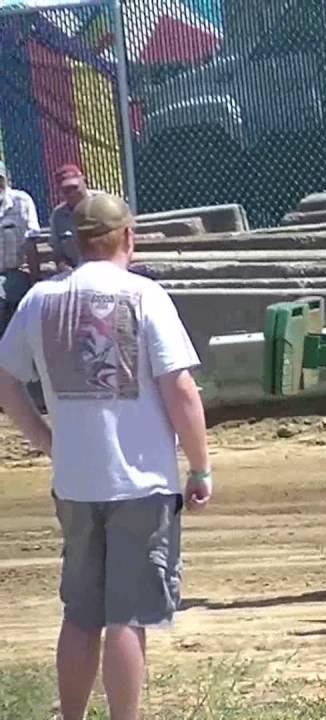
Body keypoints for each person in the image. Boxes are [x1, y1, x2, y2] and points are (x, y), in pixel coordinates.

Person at [0, 192, 211, 720]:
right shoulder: (145, 296)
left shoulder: (39, 301)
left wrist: (45, 438)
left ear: (72, 240)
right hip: (140, 481)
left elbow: (5, 382)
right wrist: (201, 465)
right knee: (127, 616)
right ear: (128, 238)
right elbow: (180, 389)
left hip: (74, 482)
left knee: (80, 615)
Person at [0, 160, 42, 331]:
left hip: (17, 273)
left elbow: (30, 243)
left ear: (7, 179)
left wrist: (35, 281)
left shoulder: (21, 201)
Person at [44, 164, 100, 276]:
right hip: (74, 274)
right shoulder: (57, 216)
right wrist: (64, 267)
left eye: (75, 187)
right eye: (66, 190)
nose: (72, 193)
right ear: (60, 192)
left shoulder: (104, 203)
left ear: (84, 182)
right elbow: (57, 253)